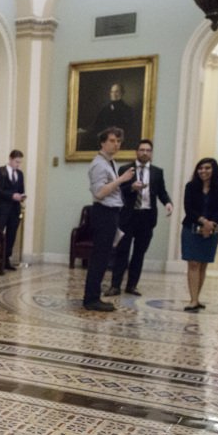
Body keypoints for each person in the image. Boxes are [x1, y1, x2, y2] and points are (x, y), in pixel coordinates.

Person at [105, 139, 173, 296]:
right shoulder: (125, 169)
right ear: (136, 152)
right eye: (142, 150)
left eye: (148, 150)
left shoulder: (157, 172)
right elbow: (117, 190)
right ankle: (115, 286)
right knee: (122, 252)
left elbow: (162, 192)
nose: (144, 153)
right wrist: (131, 187)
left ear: (151, 153)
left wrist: (168, 203)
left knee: (139, 253)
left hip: (147, 217)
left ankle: (132, 285)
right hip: (128, 217)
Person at [82, 127, 137, 312]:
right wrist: (122, 179)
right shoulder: (99, 164)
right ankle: (91, 299)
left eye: (119, 141)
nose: (116, 144)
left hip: (111, 213)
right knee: (100, 257)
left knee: (104, 257)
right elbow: (99, 193)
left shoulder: (109, 162)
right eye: (112, 140)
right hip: (103, 213)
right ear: (103, 142)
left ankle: (93, 296)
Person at [181, 158, 218, 312]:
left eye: (207, 168)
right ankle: (193, 300)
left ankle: (197, 298)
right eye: (200, 168)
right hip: (191, 228)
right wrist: (204, 222)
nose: (203, 171)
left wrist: (210, 224)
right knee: (193, 263)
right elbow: (189, 208)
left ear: (214, 170)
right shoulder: (190, 186)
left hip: (212, 229)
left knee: (202, 264)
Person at [0, 150, 26, 270]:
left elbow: (21, 189)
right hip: (2, 208)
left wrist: (21, 196)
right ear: (10, 159)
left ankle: (6, 259)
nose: (18, 164)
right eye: (16, 162)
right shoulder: (0, 172)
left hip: (15, 209)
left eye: (20, 162)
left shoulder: (20, 174)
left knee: (12, 234)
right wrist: (11, 196)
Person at [87, 83, 138, 150]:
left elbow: (129, 129)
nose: (114, 94)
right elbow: (97, 124)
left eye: (116, 91)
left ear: (122, 93)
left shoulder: (128, 110)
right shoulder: (105, 109)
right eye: (112, 92)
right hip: (104, 140)